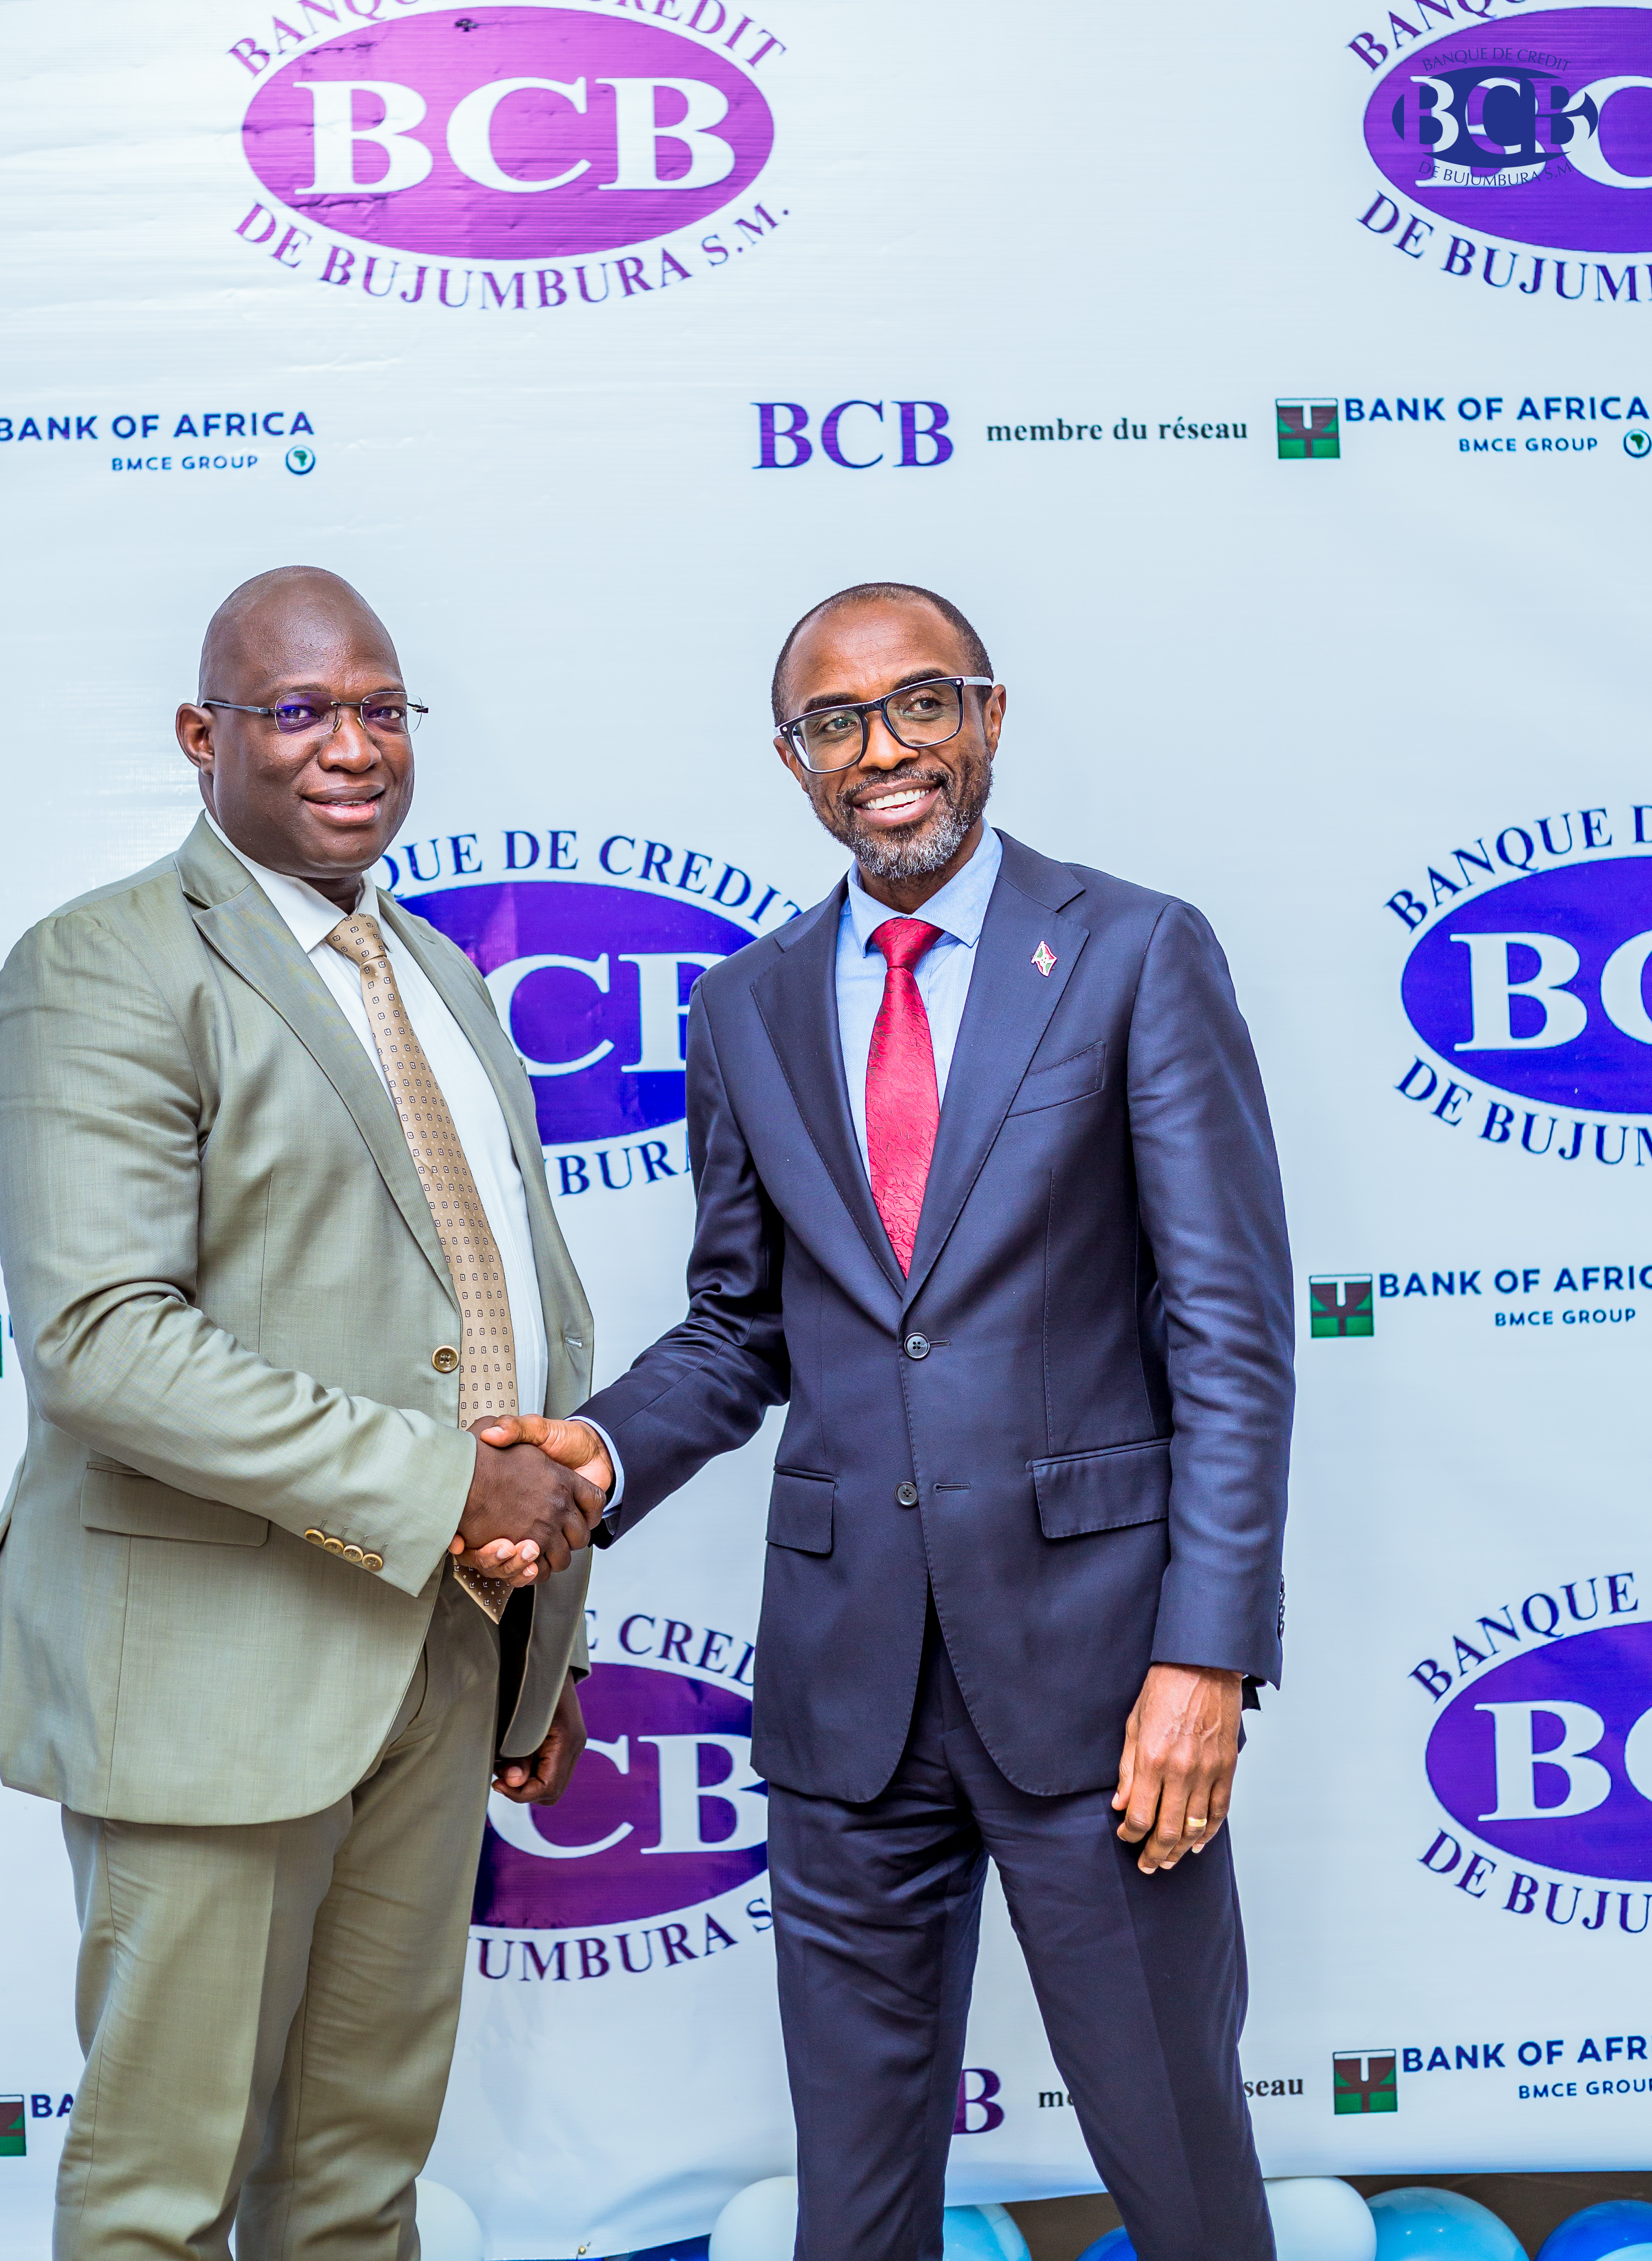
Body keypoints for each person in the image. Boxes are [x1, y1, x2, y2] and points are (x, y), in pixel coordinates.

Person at [486, 582, 1294, 2261]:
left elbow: (1227, 1332)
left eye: (922, 702)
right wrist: (601, 1454)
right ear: (793, 762)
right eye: (836, 722)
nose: (885, 750)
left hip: (1103, 1690)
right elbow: (741, 1327)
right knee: (852, 2212)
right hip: (847, 1699)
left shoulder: (1138, 951)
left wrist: (1205, 1658)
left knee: (1182, 2178)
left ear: (987, 717)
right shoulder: (749, 1005)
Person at [0, 566, 605, 2259]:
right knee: (161, 2198)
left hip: (440, 1651)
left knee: (356, 2186)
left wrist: (540, 1646)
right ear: (202, 734)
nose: (351, 747)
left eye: (381, 708)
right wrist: (448, 1487)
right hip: (215, 1671)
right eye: (299, 710)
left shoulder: (439, 976)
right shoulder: (100, 965)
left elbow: (493, 1313)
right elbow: (100, 1341)